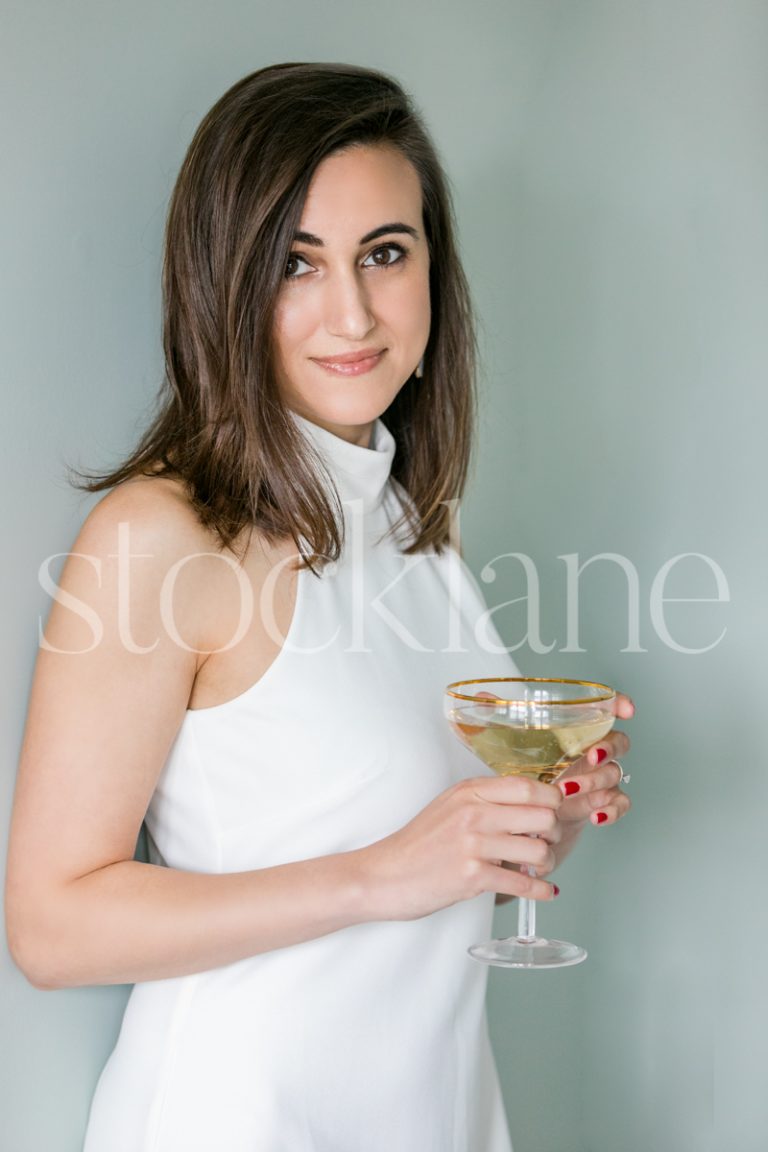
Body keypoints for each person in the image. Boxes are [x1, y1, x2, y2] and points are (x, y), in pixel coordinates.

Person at [5, 62, 632, 1152]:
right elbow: (51, 928)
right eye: (297, 265)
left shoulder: (410, 529)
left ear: (435, 269)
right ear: (225, 284)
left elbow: (417, 882)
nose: (352, 312)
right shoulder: (162, 535)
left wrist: (534, 824)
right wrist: (376, 876)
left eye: (385, 253)